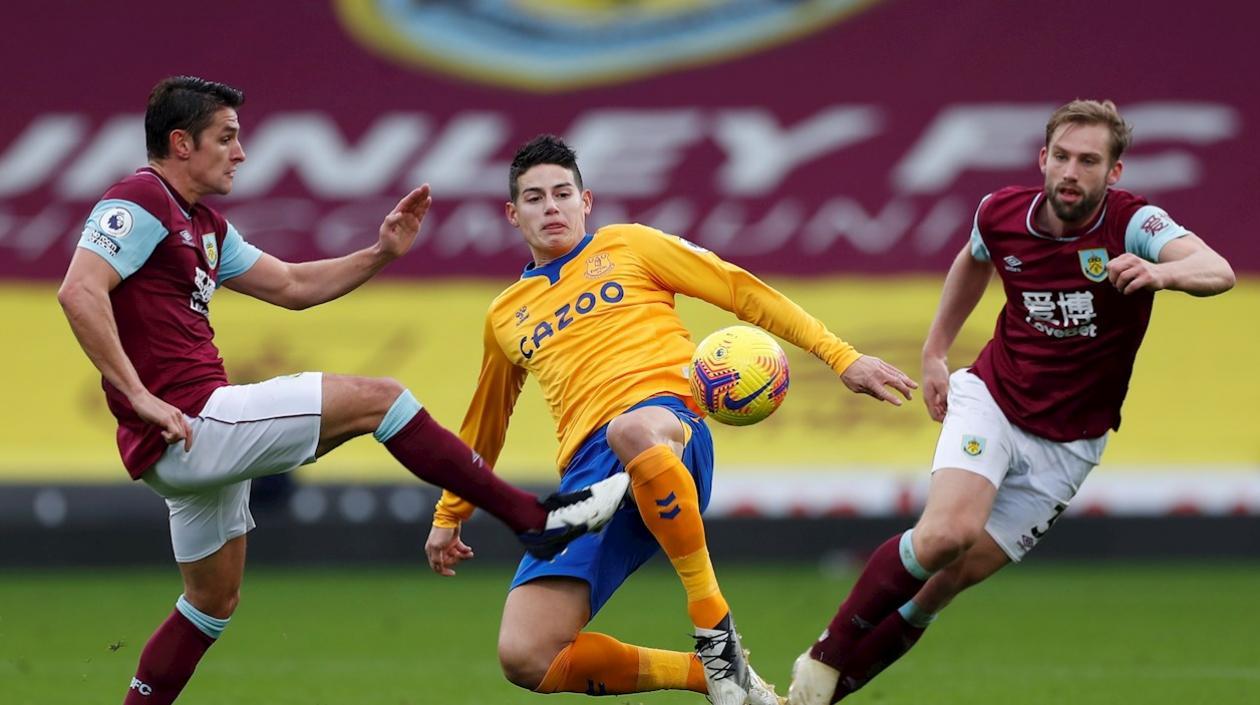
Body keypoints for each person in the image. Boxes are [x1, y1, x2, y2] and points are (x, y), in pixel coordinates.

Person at [56, 76, 629, 705]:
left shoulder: (206, 226)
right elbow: (79, 289)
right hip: (191, 421)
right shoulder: (140, 198)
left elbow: (295, 285)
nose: (241, 153)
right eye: (227, 138)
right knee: (381, 399)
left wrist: (379, 254)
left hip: (185, 439)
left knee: (210, 604)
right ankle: (532, 518)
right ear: (180, 143)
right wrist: (138, 395)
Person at [423, 134, 917, 705]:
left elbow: (739, 290)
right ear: (513, 214)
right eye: (534, 198)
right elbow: (486, 422)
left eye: (563, 193)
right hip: (591, 478)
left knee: (630, 429)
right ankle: (709, 676)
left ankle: (714, 626)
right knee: (527, 655)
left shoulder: (630, 246)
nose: (550, 207)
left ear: (588, 201)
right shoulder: (505, 315)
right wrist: (449, 513)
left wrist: (842, 357)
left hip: (669, 425)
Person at [787, 99, 1236, 704]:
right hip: (994, 399)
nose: (1072, 172)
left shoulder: (1134, 224)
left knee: (941, 586)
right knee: (947, 534)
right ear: (1043, 158)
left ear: (1114, 173)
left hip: (1071, 443)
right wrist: (935, 352)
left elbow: (1219, 270)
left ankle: (806, 701)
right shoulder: (1000, 213)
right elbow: (974, 261)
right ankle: (825, 655)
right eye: (1062, 157)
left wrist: (1163, 274)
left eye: (1089, 161)